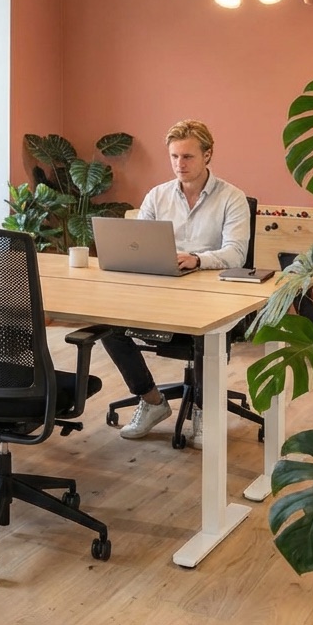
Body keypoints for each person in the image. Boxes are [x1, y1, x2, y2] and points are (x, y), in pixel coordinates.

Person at [102, 119, 249, 444]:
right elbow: (137, 244)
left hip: (211, 295)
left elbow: (236, 254)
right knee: (108, 326)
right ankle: (151, 400)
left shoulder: (232, 198)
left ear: (207, 155)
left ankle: (204, 409)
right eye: (174, 156)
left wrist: (197, 259)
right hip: (162, 291)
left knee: (205, 332)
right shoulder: (157, 196)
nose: (179, 164)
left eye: (188, 157)